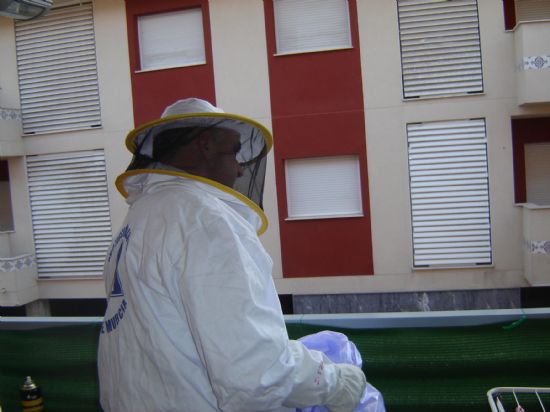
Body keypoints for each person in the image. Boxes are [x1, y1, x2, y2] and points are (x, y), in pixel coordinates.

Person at [97, 98, 367, 412]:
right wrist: (333, 383)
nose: (240, 168)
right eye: (235, 151)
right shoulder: (204, 222)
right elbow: (255, 371)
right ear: (205, 145)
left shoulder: (139, 219)